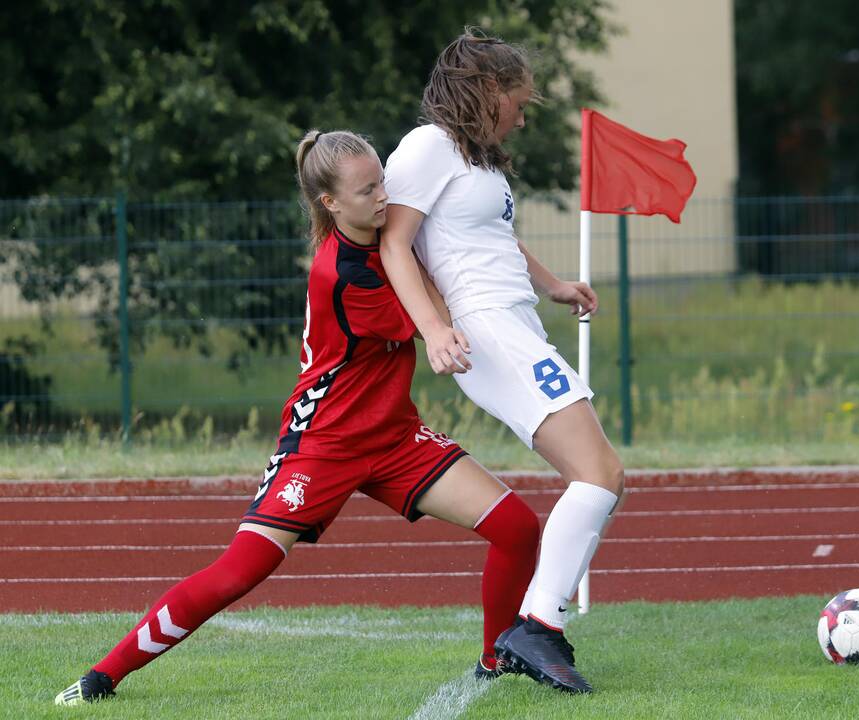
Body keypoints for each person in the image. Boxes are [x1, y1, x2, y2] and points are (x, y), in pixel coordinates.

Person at [54, 129, 540, 705]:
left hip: (394, 436)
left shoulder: (394, 233)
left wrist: (547, 285)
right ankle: (101, 677)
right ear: (330, 204)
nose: (384, 196)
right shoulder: (341, 274)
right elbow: (436, 306)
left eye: (383, 180)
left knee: (517, 527)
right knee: (240, 571)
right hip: (324, 443)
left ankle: (493, 663)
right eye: (367, 190)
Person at [379, 30, 625, 694]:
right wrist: (433, 328)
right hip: (485, 330)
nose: (523, 112)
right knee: (598, 471)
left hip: (514, 323)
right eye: (519, 99)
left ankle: (537, 626)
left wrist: (553, 285)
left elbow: (497, 239)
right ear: (488, 89)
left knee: (599, 473)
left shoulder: (478, 161)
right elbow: (394, 245)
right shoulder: (426, 147)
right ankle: (536, 628)